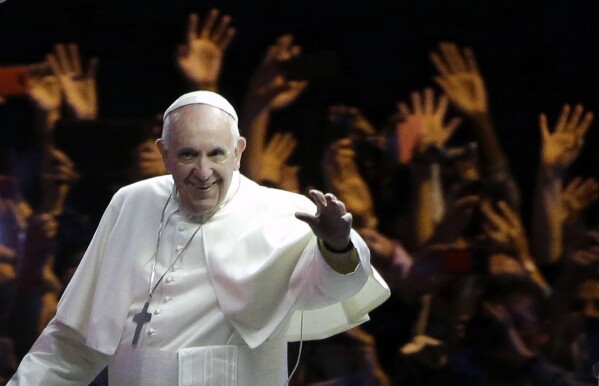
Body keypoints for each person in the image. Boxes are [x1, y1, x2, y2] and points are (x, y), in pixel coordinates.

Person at [7, 90, 390, 386]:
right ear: (164, 153)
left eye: (216, 154)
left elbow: (337, 289)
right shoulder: (131, 202)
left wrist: (338, 245)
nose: (203, 172)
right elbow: (75, 337)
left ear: (238, 151)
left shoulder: (284, 212)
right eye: (188, 155)